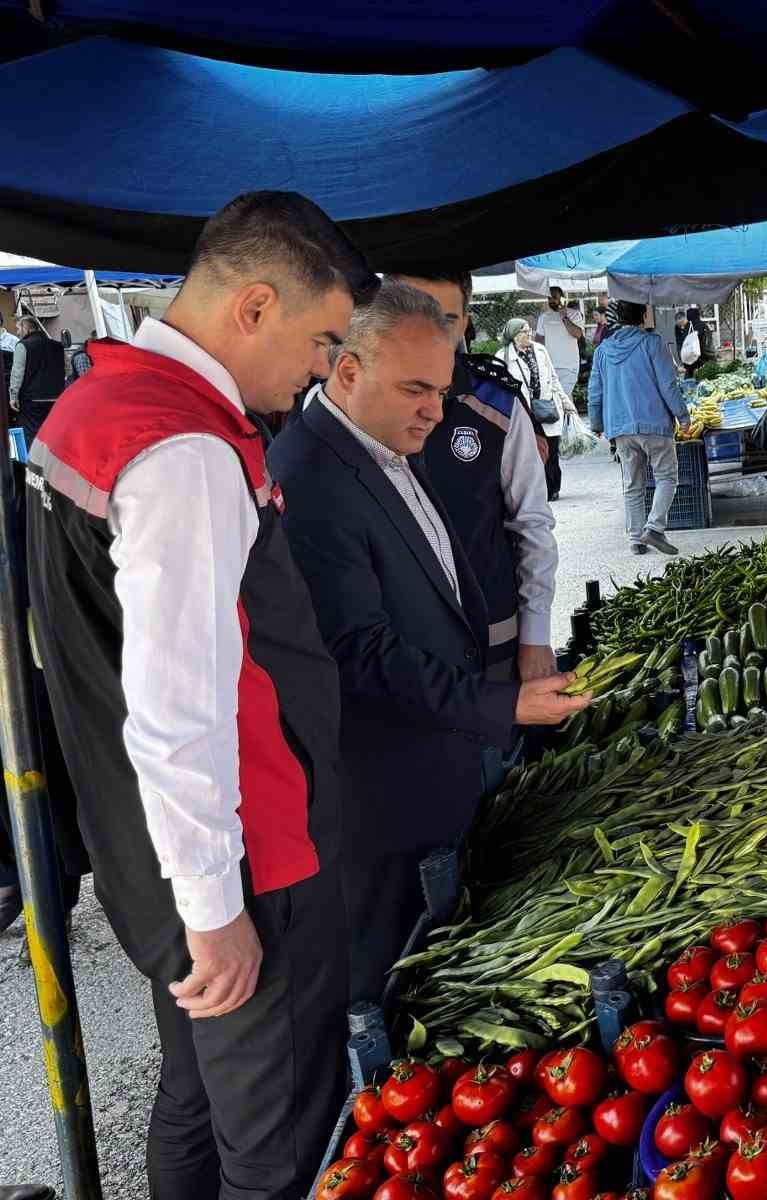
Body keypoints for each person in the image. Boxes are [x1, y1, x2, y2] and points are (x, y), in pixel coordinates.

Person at [25, 190, 376, 1198]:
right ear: (255, 306)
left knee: (194, 1090)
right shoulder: (183, 450)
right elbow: (177, 702)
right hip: (246, 859)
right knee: (278, 1142)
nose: (319, 371)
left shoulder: (93, 406)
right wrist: (218, 907)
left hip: (154, 854)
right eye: (320, 341)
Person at [268, 281, 590, 1002]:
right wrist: (504, 705)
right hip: (383, 803)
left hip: (433, 768)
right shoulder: (313, 477)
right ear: (347, 372)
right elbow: (359, 654)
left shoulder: (380, 441)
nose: (435, 411)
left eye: (441, 390)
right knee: (391, 985)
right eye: (416, 389)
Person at [388, 270, 562, 683]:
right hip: (396, 649)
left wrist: (535, 636)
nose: (430, 335)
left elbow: (532, 523)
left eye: (445, 319)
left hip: (490, 639)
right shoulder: (359, 403)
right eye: (414, 316)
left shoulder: (497, 405)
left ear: (465, 321)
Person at [588, 300, 689, 555]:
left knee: (632, 484)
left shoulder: (603, 350)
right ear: (644, 316)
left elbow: (595, 391)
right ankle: (654, 528)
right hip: (654, 423)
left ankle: (635, 539)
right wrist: (682, 415)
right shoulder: (652, 343)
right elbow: (668, 384)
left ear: (617, 318)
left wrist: (597, 422)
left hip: (620, 427)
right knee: (666, 477)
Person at [497, 315, 576, 501]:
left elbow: (553, 378)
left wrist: (566, 403)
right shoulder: (503, 357)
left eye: (529, 330)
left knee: (552, 448)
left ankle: (553, 487)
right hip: (524, 411)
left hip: (547, 405)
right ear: (514, 335)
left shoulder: (540, 350)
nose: (529, 334)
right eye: (524, 331)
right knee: (531, 451)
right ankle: (537, 490)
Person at [8, 315, 65, 443]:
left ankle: (35, 462)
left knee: (32, 436)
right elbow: (64, 370)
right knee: (53, 434)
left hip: (32, 400)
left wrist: (13, 396)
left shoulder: (22, 346)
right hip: (56, 398)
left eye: (18, 328)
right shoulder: (57, 346)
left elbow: (17, 373)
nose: (17, 332)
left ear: (25, 328)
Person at [536, 284, 584, 399]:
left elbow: (577, 334)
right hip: (551, 367)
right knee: (560, 400)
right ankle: (571, 417)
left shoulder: (574, 314)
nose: (551, 300)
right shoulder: (544, 317)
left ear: (562, 298)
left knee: (563, 399)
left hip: (569, 366)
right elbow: (538, 341)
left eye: (554, 297)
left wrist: (564, 317)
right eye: (549, 298)